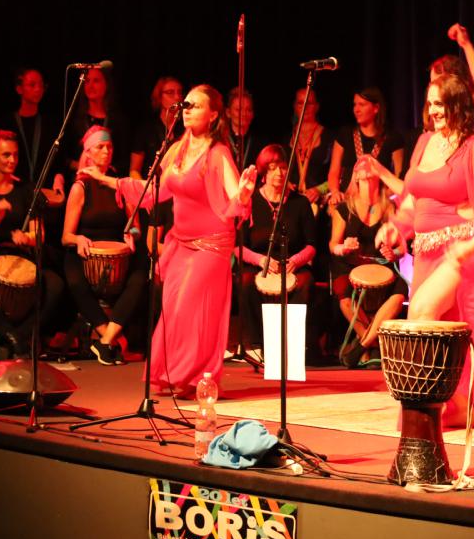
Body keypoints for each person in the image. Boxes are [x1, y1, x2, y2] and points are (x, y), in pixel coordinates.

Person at [83, 85, 256, 398]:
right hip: (182, 242)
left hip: (212, 243)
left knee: (191, 304)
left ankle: (194, 377)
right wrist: (108, 180)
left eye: (195, 105)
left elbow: (235, 198)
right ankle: (177, 374)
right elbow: (154, 192)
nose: (187, 110)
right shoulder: (176, 149)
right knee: (173, 307)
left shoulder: (218, 153)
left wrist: (244, 193)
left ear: (213, 114)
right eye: (185, 104)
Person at [377, 74, 474, 426]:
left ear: (457, 105)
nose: (433, 110)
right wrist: (396, 228)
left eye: (440, 103)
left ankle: (424, 405)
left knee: (421, 313)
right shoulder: (425, 142)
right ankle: (453, 404)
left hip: (460, 251)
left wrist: (473, 243)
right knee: (432, 324)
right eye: (430, 103)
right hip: (425, 252)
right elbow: (413, 201)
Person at [0, 130, 66, 358]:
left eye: (15, 155)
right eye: (6, 155)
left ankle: (17, 337)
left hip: (21, 256)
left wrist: (27, 238)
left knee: (56, 286)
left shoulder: (25, 191)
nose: (12, 160)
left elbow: (39, 234)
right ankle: (12, 337)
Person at [62, 126, 148, 365]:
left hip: (117, 250)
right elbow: (66, 236)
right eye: (100, 147)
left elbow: (136, 226)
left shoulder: (119, 184)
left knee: (140, 276)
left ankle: (105, 341)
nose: (106, 151)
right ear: (88, 152)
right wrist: (78, 239)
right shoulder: (80, 187)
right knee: (75, 281)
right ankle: (112, 340)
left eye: (109, 147)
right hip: (86, 250)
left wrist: (131, 234)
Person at [234, 144, 317, 363]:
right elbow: (237, 246)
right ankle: (256, 345)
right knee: (245, 281)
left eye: (282, 167)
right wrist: (261, 260)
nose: (279, 173)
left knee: (305, 284)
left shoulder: (300, 203)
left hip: (292, 264)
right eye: (272, 168)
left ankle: (291, 346)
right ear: (263, 172)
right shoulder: (250, 201)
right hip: (260, 264)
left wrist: (296, 261)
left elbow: (312, 245)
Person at [329, 146, 407, 368]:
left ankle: (361, 346)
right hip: (352, 267)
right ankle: (375, 344)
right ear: (355, 178)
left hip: (382, 268)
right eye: (361, 168)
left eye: (370, 166)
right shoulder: (345, 208)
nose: (365, 163)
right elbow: (333, 244)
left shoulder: (390, 206)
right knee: (345, 295)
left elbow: (402, 248)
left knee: (400, 293)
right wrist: (343, 248)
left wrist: (394, 253)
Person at [0, 68, 65, 207]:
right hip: (14, 193)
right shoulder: (7, 123)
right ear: (19, 89)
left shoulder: (50, 124)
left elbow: (59, 162)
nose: (38, 89)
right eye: (32, 85)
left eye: (41, 85)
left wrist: (59, 180)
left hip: (44, 195)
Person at [326, 87, 405, 206]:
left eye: (362, 105)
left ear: (376, 108)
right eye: (355, 104)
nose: (356, 109)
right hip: (347, 201)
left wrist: (383, 199)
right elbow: (333, 172)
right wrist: (335, 192)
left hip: (377, 205)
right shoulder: (345, 134)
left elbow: (399, 177)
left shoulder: (393, 138)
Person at [68, 65, 129, 173]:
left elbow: (123, 160)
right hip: (79, 177)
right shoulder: (74, 119)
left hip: (107, 179)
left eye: (96, 81)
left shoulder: (117, 121)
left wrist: (104, 171)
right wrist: (83, 167)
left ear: (107, 85)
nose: (90, 86)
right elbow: (65, 159)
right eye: (87, 81)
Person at [283, 87, 333, 208]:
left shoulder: (329, 138)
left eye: (309, 103)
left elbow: (339, 175)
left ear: (317, 106)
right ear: (295, 106)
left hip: (319, 204)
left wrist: (319, 190)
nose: (305, 107)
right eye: (300, 103)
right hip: (291, 203)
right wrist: (285, 182)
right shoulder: (285, 138)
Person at [129, 77, 184, 178]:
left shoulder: (186, 128)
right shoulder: (146, 129)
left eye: (179, 92)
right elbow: (134, 170)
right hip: (151, 184)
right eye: (170, 92)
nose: (177, 97)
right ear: (159, 97)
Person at [226, 88, 267, 171]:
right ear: (228, 112)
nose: (244, 114)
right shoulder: (221, 139)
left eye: (248, 110)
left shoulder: (261, 143)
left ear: (253, 114)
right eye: (238, 110)